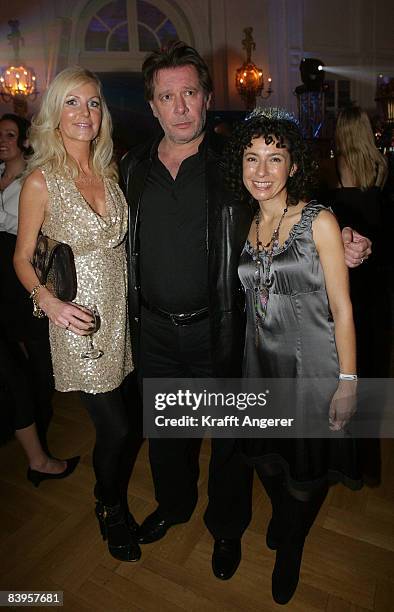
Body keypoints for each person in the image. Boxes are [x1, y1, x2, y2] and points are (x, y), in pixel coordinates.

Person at [120, 41, 370, 581]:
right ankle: (175, 506)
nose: (181, 106)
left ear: (208, 99)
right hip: (156, 331)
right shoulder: (132, 168)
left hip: (223, 332)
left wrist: (341, 234)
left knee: (230, 443)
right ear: (153, 106)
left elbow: (289, 203)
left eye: (190, 92)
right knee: (168, 435)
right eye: (168, 96)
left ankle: (227, 529)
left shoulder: (232, 168)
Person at [225, 107, 362, 604]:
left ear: (294, 165)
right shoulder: (244, 223)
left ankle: (291, 544)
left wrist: (348, 382)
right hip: (260, 366)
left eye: (274, 158)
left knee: (305, 467)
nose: (261, 171)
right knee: (265, 458)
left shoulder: (318, 220)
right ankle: (285, 517)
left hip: (313, 368)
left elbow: (343, 310)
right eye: (251, 158)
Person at [13, 66, 140, 562]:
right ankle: (109, 508)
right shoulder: (41, 181)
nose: (84, 113)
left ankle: (111, 499)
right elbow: (22, 257)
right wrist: (48, 303)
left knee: (124, 419)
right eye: (71, 102)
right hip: (77, 320)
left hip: (119, 313)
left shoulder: (111, 170)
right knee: (118, 429)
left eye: (92, 103)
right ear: (53, 114)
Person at [0, 113, 78, 482]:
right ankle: (25, 427)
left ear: (24, 140)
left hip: (23, 270)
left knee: (38, 353)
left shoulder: (36, 177)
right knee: (11, 365)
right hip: (1, 275)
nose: (3, 140)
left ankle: (38, 420)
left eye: (10, 134)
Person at [332, 106, 390, 377]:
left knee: (348, 344)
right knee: (375, 345)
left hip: (347, 266)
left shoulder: (333, 167)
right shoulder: (382, 167)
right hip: (378, 271)